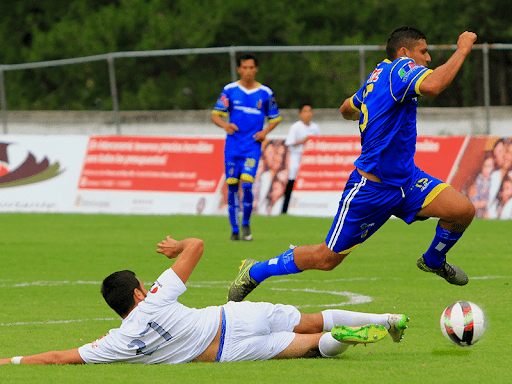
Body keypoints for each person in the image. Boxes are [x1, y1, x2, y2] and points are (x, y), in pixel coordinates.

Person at [227, 26, 478, 303]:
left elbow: (347, 107)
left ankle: (433, 260)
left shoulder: (378, 75)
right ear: (405, 53)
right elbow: (434, 86)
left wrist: (370, 115)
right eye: (424, 51)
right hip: (371, 188)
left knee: (462, 211)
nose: (428, 58)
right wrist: (463, 48)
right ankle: (255, 271)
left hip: (407, 181)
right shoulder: (400, 69)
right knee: (326, 259)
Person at [0, 235, 409, 366]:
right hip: (233, 315)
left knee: (311, 349)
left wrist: (10, 361)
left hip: (227, 352)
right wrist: (177, 245)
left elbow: (57, 357)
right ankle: (387, 317)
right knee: (310, 318)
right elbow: (196, 245)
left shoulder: (116, 344)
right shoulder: (157, 297)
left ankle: (345, 337)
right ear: (139, 292)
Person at [211, 53, 282, 241]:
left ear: (256, 69)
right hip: (233, 146)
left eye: (252, 67)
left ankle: (246, 223)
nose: (248, 71)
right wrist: (225, 125)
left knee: (248, 184)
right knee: (232, 186)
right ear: (239, 69)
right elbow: (215, 115)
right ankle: (234, 230)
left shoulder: (265, 93)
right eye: (245, 68)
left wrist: (264, 133)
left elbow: (275, 118)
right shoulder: (230, 90)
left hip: (252, 146)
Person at [282, 103, 320, 214]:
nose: (308, 114)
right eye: (305, 111)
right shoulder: (296, 127)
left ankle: (309, 208)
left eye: (309, 111)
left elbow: (318, 141)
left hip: (310, 158)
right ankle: (285, 208)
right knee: (292, 180)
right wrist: (303, 141)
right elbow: (289, 143)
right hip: (297, 156)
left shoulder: (315, 127)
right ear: (300, 114)